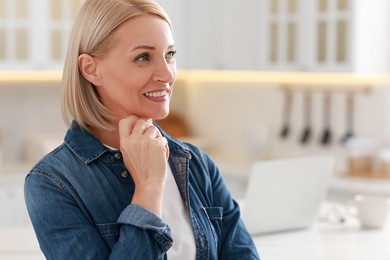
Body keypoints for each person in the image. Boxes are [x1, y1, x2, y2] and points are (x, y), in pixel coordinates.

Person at [24, 0, 260, 259]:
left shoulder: (197, 164)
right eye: (143, 57)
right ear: (91, 69)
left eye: (170, 54)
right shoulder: (52, 183)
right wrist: (148, 188)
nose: (167, 74)